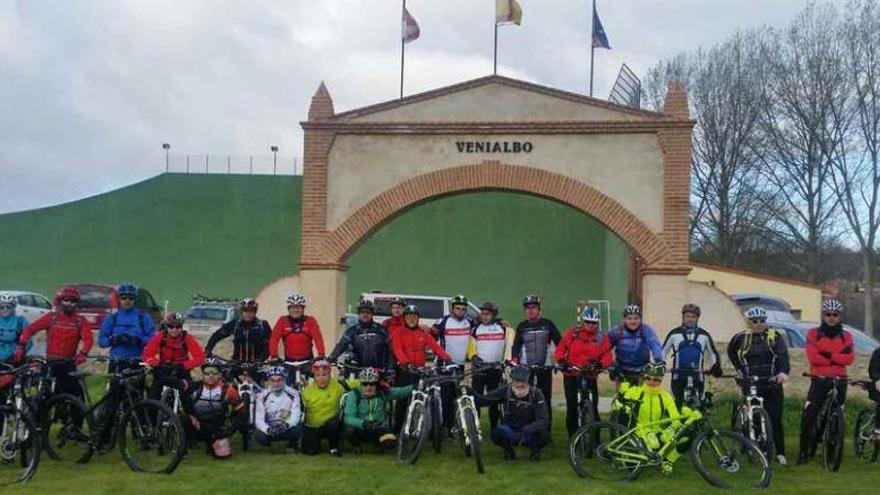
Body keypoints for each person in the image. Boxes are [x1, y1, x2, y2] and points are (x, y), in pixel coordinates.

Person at [727, 306, 790, 466]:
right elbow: (731, 351)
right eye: (755, 321)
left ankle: (780, 452)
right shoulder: (741, 337)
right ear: (749, 323)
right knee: (753, 417)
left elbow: (783, 355)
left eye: (762, 321)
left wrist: (782, 373)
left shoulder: (774, 336)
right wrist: (739, 370)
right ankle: (754, 447)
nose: (759, 324)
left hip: (771, 383)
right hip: (751, 383)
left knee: (775, 419)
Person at [799, 299, 855, 465]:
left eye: (835, 315)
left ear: (840, 317)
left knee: (835, 413)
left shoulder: (847, 336)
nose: (831, 318)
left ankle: (830, 450)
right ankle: (803, 450)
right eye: (828, 314)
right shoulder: (813, 333)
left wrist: (827, 356)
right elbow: (813, 357)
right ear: (823, 316)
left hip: (840, 380)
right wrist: (837, 358)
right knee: (810, 414)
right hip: (820, 379)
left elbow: (850, 358)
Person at [618, 362, 698, 476]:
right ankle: (636, 452)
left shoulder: (665, 396)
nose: (651, 382)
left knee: (688, 436)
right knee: (632, 468)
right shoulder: (635, 391)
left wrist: (671, 429)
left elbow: (675, 417)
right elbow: (617, 403)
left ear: (661, 380)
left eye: (656, 380)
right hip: (638, 432)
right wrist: (622, 405)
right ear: (644, 377)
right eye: (648, 378)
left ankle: (668, 461)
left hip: (657, 433)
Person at [15, 286, 93, 400]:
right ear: (61, 301)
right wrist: (21, 345)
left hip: (68, 362)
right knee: (45, 395)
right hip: (51, 362)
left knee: (74, 393)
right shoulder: (52, 317)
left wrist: (83, 353)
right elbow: (30, 329)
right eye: (66, 300)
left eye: (73, 301)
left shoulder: (80, 320)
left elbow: (88, 339)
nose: (69, 304)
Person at [554, 306, 613, 439]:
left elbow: (607, 355)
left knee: (594, 407)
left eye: (594, 323)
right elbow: (560, 348)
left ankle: (596, 440)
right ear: (583, 321)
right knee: (572, 407)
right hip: (572, 374)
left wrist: (600, 364)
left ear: (597, 323)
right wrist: (562, 361)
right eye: (587, 322)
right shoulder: (573, 333)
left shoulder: (600, 337)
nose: (590, 325)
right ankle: (572, 439)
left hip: (589, 374)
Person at [392, 304, 451, 429]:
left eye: (414, 316)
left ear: (418, 318)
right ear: (404, 318)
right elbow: (397, 349)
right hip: (404, 372)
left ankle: (419, 428)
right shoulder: (398, 332)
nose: (411, 319)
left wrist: (448, 359)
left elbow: (436, 347)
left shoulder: (422, 333)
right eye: (408, 317)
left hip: (419, 372)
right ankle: (398, 428)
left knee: (420, 399)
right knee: (402, 401)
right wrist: (406, 363)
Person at [474, 365, 549, 461]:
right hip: (511, 429)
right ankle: (508, 449)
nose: (520, 385)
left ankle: (535, 450)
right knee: (496, 433)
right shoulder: (506, 390)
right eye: (517, 381)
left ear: (528, 381)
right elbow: (485, 399)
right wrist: (470, 394)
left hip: (529, 431)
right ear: (512, 381)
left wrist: (528, 430)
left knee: (544, 435)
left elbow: (543, 420)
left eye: (523, 381)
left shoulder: (536, 393)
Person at [511, 294, 561, 436]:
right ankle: (528, 431)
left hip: (544, 369)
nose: (531, 310)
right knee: (527, 399)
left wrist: (560, 359)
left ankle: (546, 432)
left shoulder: (547, 324)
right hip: (527, 370)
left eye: (534, 307)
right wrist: (514, 360)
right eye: (528, 308)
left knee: (545, 399)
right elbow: (516, 347)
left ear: (539, 309)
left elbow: (560, 343)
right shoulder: (522, 326)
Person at [662, 303, 723, 408]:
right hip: (678, 375)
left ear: (697, 318)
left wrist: (715, 366)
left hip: (697, 375)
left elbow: (713, 353)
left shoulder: (704, 335)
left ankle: (699, 421)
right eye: (688, 316)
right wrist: (661, 364)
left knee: (701, 404)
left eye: (693, 317)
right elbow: (663, 352)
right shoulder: (674, 334)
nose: (690, 319)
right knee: (676, 404)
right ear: (683, 317)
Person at [342, 367, 412, 454]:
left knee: (390, 443)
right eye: (365, 384)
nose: (368, 387)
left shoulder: (382, 393)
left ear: (376, 384)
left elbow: (401, 392)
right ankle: (355, 445)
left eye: (372, 384)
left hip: (378, 427)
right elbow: (348, 418)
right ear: (361, 383)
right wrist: (363, 424)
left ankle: (378, 444)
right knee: (349, 430)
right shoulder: (353, 395)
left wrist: (416, 387)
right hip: (361, 428)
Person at [184, 361, 245, 459]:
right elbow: (185, 404)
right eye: (207, 372)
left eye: (214, 372)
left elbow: (241, 411)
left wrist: (230, 430)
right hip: (199, 426)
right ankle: (183, 450)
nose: (210, 375)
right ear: (202, 375)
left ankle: (211, 444)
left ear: (220, 374)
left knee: (223, 457)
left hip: (218, 429)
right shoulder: (194, 388)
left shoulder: (228, 390)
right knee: (183, 419)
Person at [301, 360, 358, 456]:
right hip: (312, 427)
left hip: (331, 426)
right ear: (314, 377)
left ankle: (334, 446)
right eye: (318, 375)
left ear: (330, 375)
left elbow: (359, 383)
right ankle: (315, 444)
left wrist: (378, 382)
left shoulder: (339, 386)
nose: (321, 378)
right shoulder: (307, 391)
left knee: (334, 424)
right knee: (309, 452)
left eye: (324, 375)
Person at [142, 312, 205, 399]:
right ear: (166, 327)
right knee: (153, 395)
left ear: (181, 327)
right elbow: (147, 355)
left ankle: (188, 411)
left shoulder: (186, 338)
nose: (174, 330)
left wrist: (184, 365)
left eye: (178, 327)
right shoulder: (160, 336)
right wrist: (157, 363)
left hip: (181, 369)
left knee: (186, 398)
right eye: (171, 327)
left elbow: (200, 357)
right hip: (164, 368)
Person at [431, 295, 472, 429]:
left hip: (459, 365)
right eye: (458, 308)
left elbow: (485, 322)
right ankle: (444, 426)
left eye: (463, 309)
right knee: (446, 397)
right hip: (444, 365)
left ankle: (451, 425)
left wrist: (500, 321)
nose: (460, 311)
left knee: (455, 396)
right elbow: (431, 338)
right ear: (452, 309)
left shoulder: (470, 322)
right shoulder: (442, 321)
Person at [98, 283, 156, 374]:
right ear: (119, 299)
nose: (127, 301)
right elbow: (102, 341)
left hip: (136, 361)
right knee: (114, 388)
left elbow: (154, 338)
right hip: (117, 361)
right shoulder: (112, 317)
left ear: (135, 299)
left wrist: (139, 340)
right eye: (124, 298)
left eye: (131, 298)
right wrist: (113, 340)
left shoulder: (143, 317)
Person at [468, 301, 508, 430]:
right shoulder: (476, 329)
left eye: (487, 314)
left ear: (494, 315)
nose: (484, 316)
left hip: (495, 369)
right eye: (482, 314)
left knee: (494, 401)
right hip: (479, 369)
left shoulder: (502, 327)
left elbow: (509, 344)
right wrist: (473, 357)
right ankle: (475, 427)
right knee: (476, 399)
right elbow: (470, 346)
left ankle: (494, 427)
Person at [328, 300, 393, 372]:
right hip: (357, 370)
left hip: (378, 370)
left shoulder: (381, 330)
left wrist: (390, 369)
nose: (365, 315)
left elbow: (390, 350)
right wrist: (332, 357)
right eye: (362, 312)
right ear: (358, 314)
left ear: (372, 314)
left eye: (368, 312)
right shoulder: (352, 331)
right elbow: (341, 345)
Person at [607, 304, 663, 385]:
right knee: (621, 396)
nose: (633, 321)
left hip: (641, 370)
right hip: (621, 370)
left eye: (636, 318)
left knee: (642, 396)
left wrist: (659, 360)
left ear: (640, 319)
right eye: (629, 318)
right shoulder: (617, 331)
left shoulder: (645, 330)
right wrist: (610, 364)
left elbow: (654, 343)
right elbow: (605, 348)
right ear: (624, 319)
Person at [205, 298, 272, 364]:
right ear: (241, 312)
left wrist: (261, 360)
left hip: (257, 364)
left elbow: (270, 344)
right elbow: (216, 336)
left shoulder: (263, 325)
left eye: (251, 311)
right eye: (245, 311)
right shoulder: (235, 324)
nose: (248, 314)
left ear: (255, 312)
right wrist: (207, 350)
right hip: (236, 363)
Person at [253, 366, 302, 449]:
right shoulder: (262, 396)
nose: (276, 383)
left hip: (286, 427)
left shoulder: (293, 394)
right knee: (258, 434)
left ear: (284, 379)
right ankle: (269, 447)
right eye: (272, 380)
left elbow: (296, 414)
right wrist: (268, 429)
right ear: (268, 381)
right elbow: (259, 420)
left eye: (279, 380)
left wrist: (286, 425)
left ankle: (291, 445)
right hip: (270, 428)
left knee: (298, 428)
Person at [268, 293, 325, 362]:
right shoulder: (282, 321)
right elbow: (274, 338)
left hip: (307, 361)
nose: (296, 310)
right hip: (288, 361)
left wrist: (321, 354)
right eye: (293, 307)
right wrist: (274, 355)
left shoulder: (310, 321)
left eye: (298, 307)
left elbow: (318, 338)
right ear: (289, 309)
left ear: (303, 309)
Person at [0, 294, 32, 400]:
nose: (4, 309)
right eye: (1, 307)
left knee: (13, 391)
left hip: (13, 363)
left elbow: (29, 342)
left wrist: (20, 352)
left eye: (8, 307)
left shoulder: (21, 321)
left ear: (13, 308)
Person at [869, 345, 880, 438]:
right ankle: (877, 429)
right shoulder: (878, 352)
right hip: (878, 385)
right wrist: (877, 380)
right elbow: (872, 369)